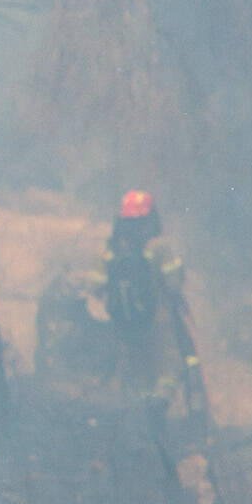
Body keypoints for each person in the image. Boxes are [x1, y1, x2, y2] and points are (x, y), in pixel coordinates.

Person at [93, 190, 210, 484]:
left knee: (136, 372)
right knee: (172, 368)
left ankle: (139, 425)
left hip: (124, 325)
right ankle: (163, 415)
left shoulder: (111, 249)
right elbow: (173, 284)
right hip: (159, 321)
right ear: (151, 217)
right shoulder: (161, 247)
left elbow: (99, 287)